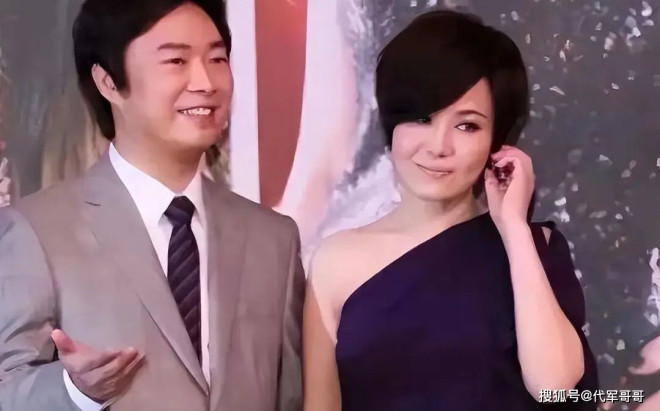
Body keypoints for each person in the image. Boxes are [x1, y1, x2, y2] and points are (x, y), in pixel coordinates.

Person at [0, 1, 304, 410]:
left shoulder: (274, 239)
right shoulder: (37, 231)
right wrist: (77, 391)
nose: (206, 81)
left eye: (217, 59)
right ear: (108, 82)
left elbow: (290, 396)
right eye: (176, 60)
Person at [303, 10, 598, 411]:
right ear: (393, 123)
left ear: (497, 140)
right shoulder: (335, 261)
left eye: (467, 126)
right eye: (421, 118)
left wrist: (513, 228)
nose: (438, 146)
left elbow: (555, 384)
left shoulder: (532, 247)